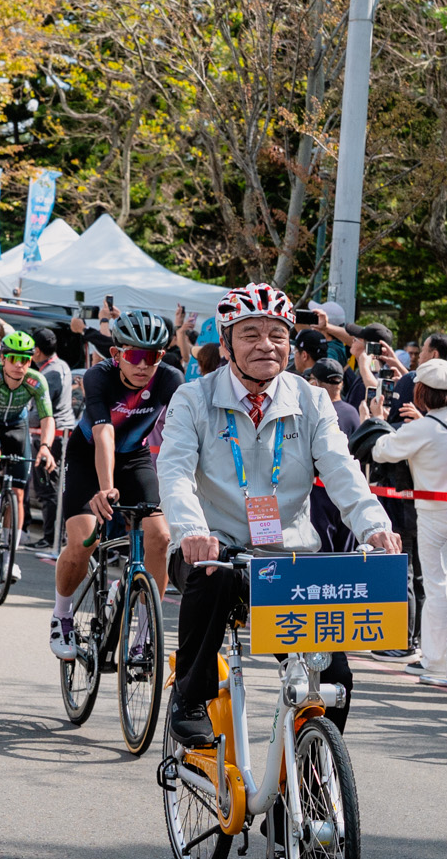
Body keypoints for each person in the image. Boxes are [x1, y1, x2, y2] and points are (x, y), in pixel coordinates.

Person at [157, 284, 401, 745]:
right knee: (213, 574)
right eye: (249, 334)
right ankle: (189, 698)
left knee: (333, 679)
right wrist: (191, 531)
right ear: (226, 344)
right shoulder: (193, 398)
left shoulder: (310, 401)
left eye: (277, 334)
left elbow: (342, 470)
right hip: (214, 547)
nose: (265, 345)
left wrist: (375, 527)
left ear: (291, 344)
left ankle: (308, 782)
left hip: (286, 558)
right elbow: (174, 473)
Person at [49, 310, 181, 660]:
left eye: (151, 357)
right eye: (134, 356)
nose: (143, 366)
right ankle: (62, 614)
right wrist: (106, 488)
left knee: (161, 537)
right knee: (83, 542)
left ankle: (144, 632)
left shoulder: (169, 379)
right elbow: (103, 433)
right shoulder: (98, 377)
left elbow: (189, 432)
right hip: (87, 456)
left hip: (134, 459)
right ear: (116, 354)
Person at [367, 357, 447, 687]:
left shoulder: (422, 428)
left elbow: (381, 451)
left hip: (437, 515)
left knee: (438, 584)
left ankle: (436, 660)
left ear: (421, 392)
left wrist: (376, 419)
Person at [0, 329, 56, 581]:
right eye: (12, 358)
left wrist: (45, 446)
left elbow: (47, 417)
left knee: (18, 493)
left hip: (16, 427)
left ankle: (9, 558)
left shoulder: (37, 380)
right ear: (2, 358)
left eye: (24, 359)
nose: (18, 365)